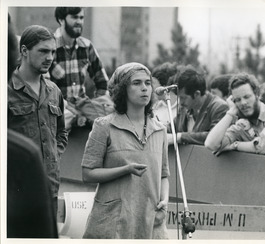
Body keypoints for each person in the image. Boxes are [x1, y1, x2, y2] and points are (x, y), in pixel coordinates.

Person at [81, 62, 170, 239]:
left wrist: (164, 199)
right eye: (136, 83)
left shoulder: (160, 129)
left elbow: (163, 174)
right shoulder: (104, 126)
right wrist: (125, 169)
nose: (144, 88)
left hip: (150, 222)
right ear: (122, 89)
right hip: (113, 223)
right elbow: (88, 173)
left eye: (147, 83)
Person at [8, 25, 68, 215]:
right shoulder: (7, 90)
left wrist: (54, 156)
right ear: (24, 50)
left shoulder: (54, 91)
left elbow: (61, 133)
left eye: (52, 51)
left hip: (49, 188)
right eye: (43, 51)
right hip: (14, 191)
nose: (50, 58)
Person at [49, 7, 110, 130]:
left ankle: (83, 119)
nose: (79, 21)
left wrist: (97, 105)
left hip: (82, 105)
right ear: (61, 20)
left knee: (111, 113)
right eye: (74, 17)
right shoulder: (49, 46)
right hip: (59, 108)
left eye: (81, 17)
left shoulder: (86, 46)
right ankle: (78, 119)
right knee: (59, 120)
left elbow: (102, 82)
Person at [205, 73, 265, 155]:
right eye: (238, 100)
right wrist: (231, 112)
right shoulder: (242, 126)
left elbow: (262, 147)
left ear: (257, 94)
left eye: (247, 97)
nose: (243, 103)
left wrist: (235, 145)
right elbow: (211, 144)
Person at [168, 65, 228, 145]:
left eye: (183, 98)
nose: (180, 102)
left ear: (197, 94)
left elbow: (214, 136)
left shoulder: (219, 108)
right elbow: (170, 127)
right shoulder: (184, 108)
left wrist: (180, 137)